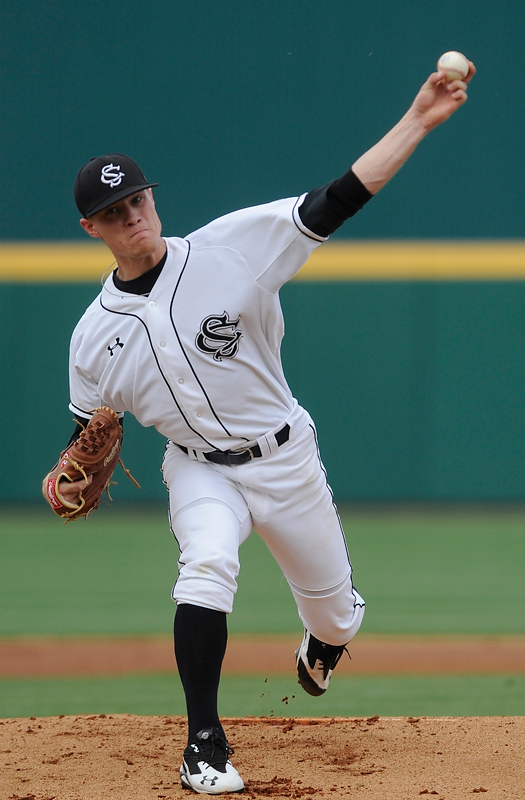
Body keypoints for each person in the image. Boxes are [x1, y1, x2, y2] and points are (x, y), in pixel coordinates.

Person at [43, 63, 475, 794]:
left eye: (138, 200)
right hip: (200, 468)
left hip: (285, 459)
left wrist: (417, 121)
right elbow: (86, 437)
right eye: (114, 212)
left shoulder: (230, 247)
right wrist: (66, 475)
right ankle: (203, 745)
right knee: (205, 565)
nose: (133, 217)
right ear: (92, 228)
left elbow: (336, 198)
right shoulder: (91, 339)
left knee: (335, 615)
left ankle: (327, 636)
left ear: (153, 199)